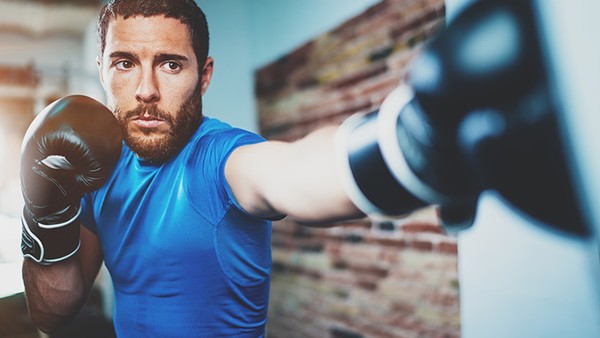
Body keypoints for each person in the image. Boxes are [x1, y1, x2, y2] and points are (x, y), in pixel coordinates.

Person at [20, 1, 375, 337]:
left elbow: (294, 171)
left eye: (170, 65)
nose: (146, 91)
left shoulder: (220, 156)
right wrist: (45, 213)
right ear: (102, 71)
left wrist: (396, 147)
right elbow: (52, 312)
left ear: (204, 76)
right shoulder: (99, 167)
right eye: (125, 63)